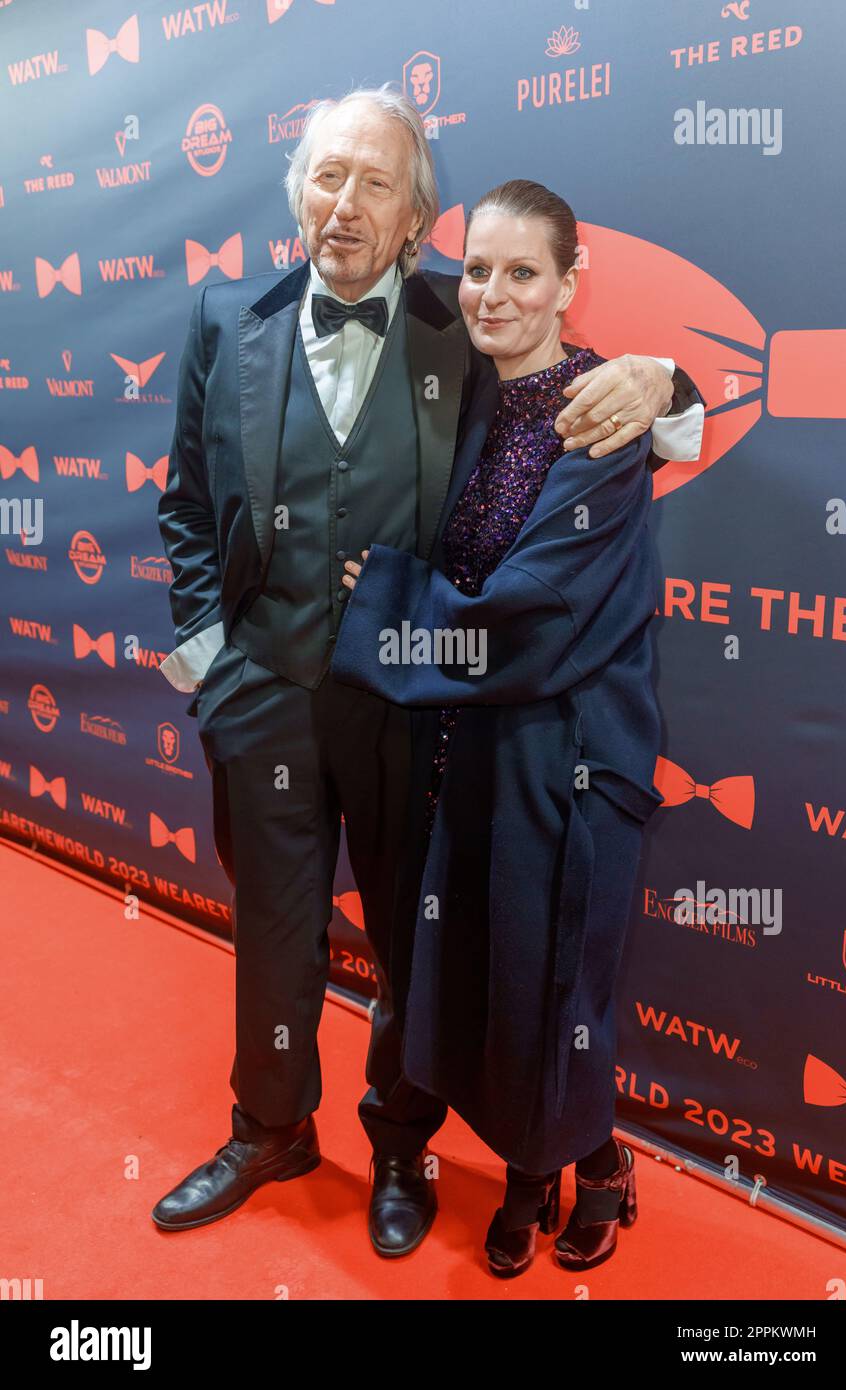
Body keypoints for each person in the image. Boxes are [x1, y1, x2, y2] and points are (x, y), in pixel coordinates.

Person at [153, 83, 704, 1257]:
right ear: (297, 190)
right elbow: (187, 505)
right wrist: (208, 652)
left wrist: (666, 380)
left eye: (376, 184)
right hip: (263, 694)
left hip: (410, 702)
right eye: (327, 176)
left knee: (416, 934)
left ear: (416, 221)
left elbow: (587, 383)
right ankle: (270, 1127)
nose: (344, 204)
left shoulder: (466, 321)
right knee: (273, 927)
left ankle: (400, 1139)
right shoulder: (221, 319)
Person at [332, 178, 664, 1277]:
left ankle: (571, 1177)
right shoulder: (468, 392)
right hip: (472, 748)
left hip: (566, 752)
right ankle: (564, 1163)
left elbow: (530, 617)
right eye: (476, 268)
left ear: (571, 286)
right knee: (489, 976)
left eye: (522, 271)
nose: (492, 292)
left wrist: (372, 601)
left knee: (551, 980)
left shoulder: (602, 419)